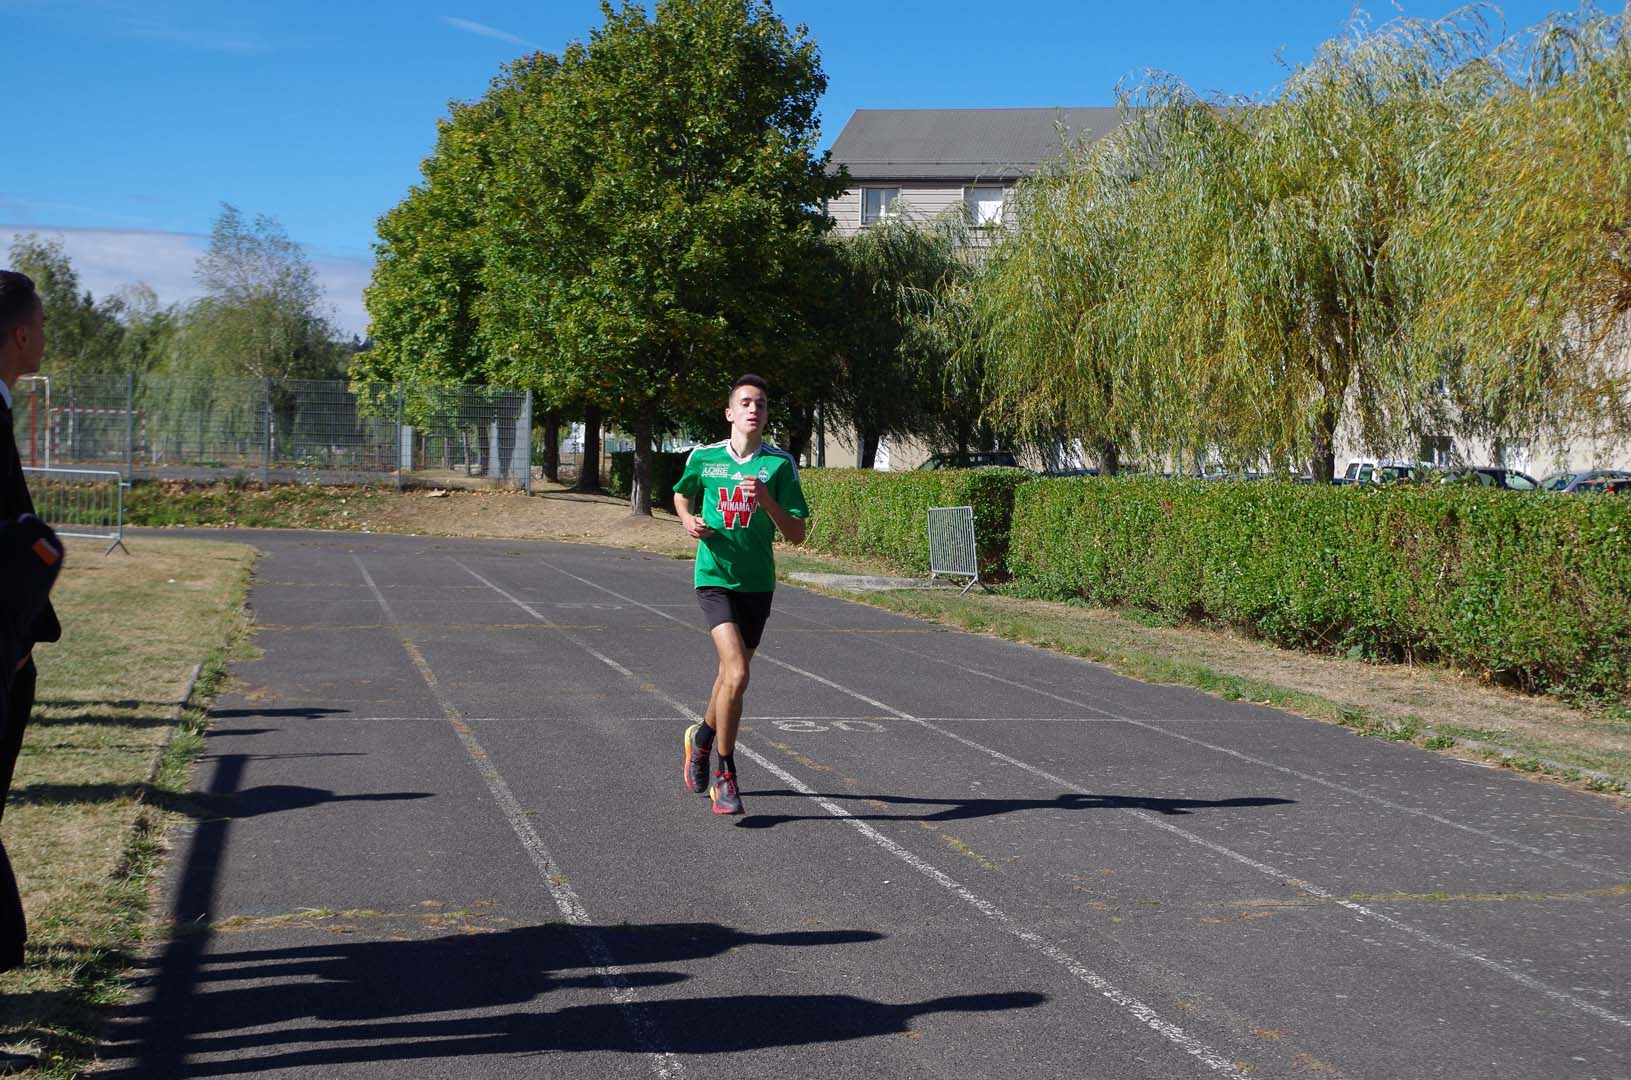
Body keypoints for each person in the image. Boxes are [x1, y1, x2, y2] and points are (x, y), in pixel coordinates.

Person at [671, 374, 808, 815]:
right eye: (746, 403)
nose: (754, 409)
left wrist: (768, 501)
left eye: (762, 404)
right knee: (737, 674)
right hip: (713, 577)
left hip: (757, 584)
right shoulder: (705, 458)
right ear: (730, 413)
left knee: (732, 677)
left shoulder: (779, 464)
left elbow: (798, 535)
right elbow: (680, 495)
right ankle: (726, 773)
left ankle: (703, 738)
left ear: (766, 416)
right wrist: (688, 520)